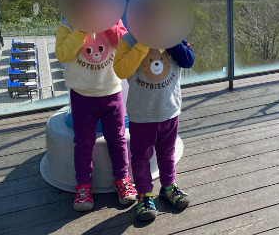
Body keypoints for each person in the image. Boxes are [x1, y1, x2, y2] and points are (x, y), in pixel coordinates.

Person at [55, 20, 137, 211]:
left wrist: (108, 26)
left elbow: (125, 43)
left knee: (117, 139)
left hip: (111, 92)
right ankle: (83, 187)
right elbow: (62, 55)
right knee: (83, 142)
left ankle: (123, 179)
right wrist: (80, 29)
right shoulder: (67, 26)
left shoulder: (113, 20)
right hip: (82, 95)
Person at [114, 33, 194, 221]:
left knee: (168, 152)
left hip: (170, 110)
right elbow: (121, 70)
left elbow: (188, 60)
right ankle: (144, 195)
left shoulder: (175, 35)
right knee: (141, 157)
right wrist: (143, 43)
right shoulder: (129, 40)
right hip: (142, 115)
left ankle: (168, 186)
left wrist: (170, 40)